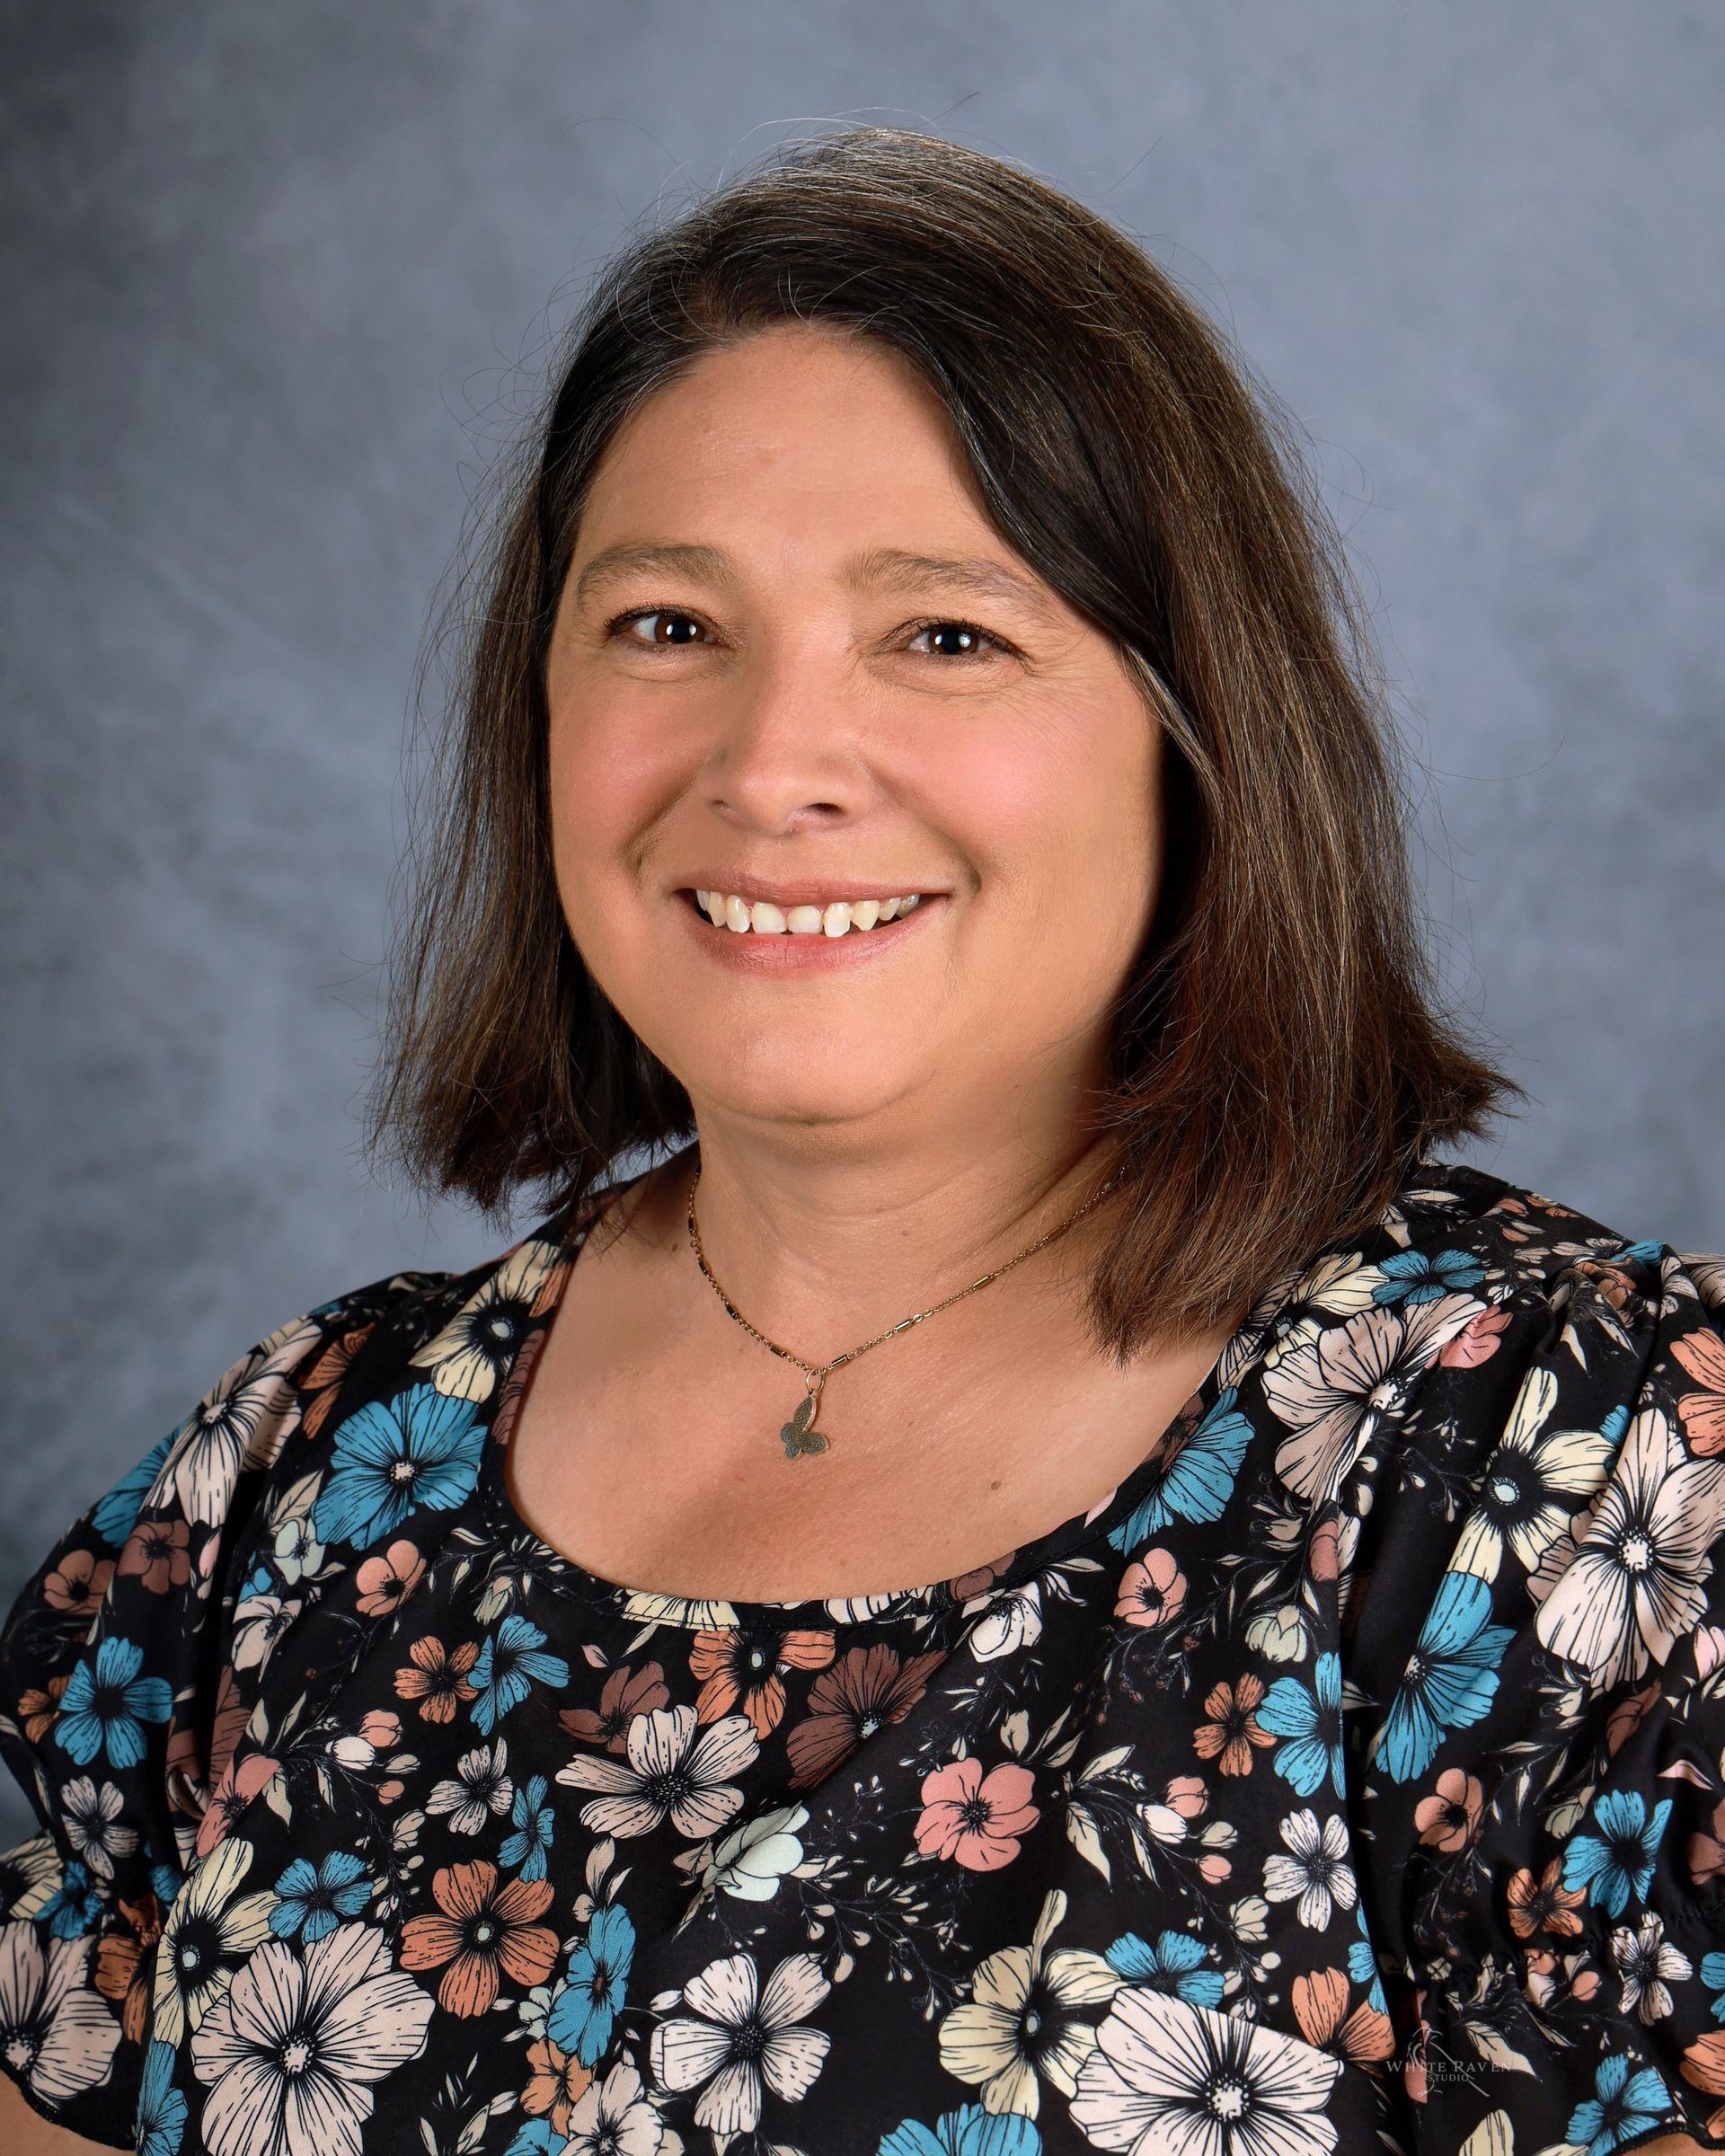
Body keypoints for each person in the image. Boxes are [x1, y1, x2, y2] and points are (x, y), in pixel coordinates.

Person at [0, 126, 1719, 2156]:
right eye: (665, 626)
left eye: (948, 634)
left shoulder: (1571, 1472)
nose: (772, 766)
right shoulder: (294, 1471)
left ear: (1196, 738)